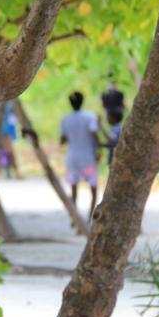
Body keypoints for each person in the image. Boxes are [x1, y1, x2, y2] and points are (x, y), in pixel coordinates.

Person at [60, 91, 99, 222]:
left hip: (72, 158)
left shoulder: (65, 119)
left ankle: (75, 220)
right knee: (93, 190)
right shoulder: (90, 117)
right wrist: (98, 149)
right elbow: (94, 134)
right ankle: (89, 218)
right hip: (87, 158)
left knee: (74, 190)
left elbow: (62, 140)